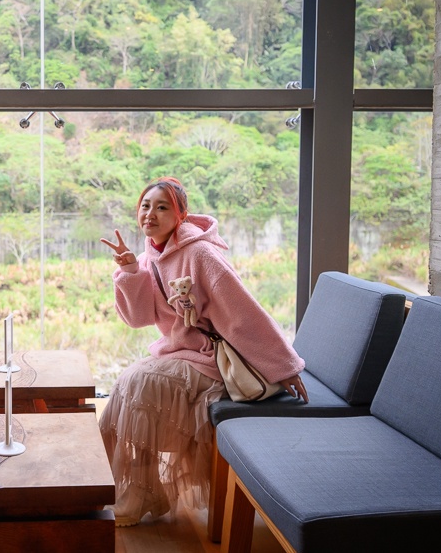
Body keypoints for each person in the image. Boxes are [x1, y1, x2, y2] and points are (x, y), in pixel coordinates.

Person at [98, 177, 308, 527]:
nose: (150, 213)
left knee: (137, 384)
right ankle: (134, 490)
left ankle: (138, 494)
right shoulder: (152, 255)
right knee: (129, 386)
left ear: (181, 215)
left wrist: (283, 365)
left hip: (211, 362)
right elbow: (137, 318)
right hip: (179, 355)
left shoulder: (200, 253)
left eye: (162, 207)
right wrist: (130, 271)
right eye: (145, 205)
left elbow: (242, 312)